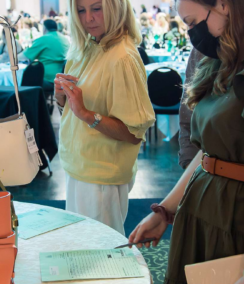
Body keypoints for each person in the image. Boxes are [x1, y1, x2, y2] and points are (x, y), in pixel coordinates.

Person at [129, 0, 244, 284]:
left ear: (223, 5)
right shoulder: (226, 59)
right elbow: (210, 152)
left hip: (242, 218)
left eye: (192, 22)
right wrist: (165, 210)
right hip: (202, 208)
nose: (191, 33)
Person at [55, 0, 155, 235]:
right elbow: (70, 109)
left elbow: (133, 133)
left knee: (100, 258)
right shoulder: (87, 47)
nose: (88, 18)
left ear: (114, 8)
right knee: (82, 250)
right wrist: (61, 96)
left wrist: (86, 114)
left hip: (100, 176)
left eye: (96, 8)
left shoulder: (122, 58)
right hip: (79, 167)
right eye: (81, 10)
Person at [18, 19, 69, 93]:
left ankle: (29, 103)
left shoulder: (44, 39)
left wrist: (11, 58)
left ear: (44, 29)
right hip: (61, 77)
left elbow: (24, 56)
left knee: (23, 80)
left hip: (46, 78)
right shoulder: (64, 39)